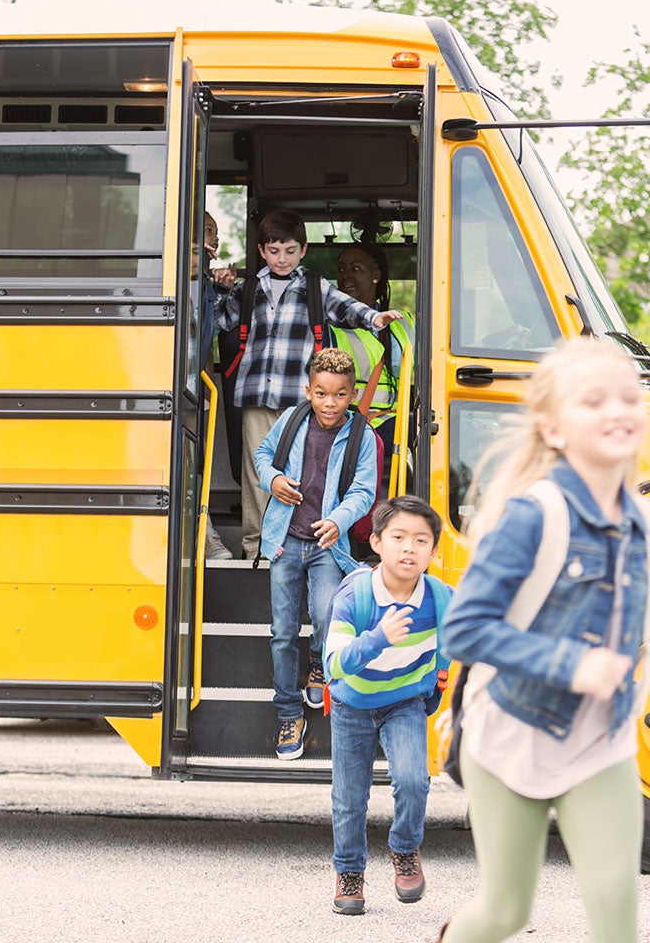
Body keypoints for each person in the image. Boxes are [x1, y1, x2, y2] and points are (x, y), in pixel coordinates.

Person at [435, 337, 649, 943]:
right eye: (594, 401)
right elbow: (464, 629)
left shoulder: (641, 524)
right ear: (554, 430)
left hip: (598, 740)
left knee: (616, 910)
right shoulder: (535, 514)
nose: (618, 410)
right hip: (510, 734)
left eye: (629, 397)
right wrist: (571, 664)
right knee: (507, 913)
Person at [215, 209, 404, 560]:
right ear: (261, 252)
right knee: (258, 472)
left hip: (298, 400)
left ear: (302, 250)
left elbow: (347, 308)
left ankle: (296, 544)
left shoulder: (315, 287)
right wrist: (218, 286)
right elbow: (218, 319)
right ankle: (257, 547)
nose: (281, 258)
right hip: (257, 394)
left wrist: (375, 318)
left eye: (289, 250)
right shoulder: (249, 289)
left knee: (300, 473)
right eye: (274, 251)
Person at [324, 494, 452, 915]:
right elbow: (334, 664)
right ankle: (350, 873)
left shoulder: (441, 597)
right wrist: (378, 638)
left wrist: (439, 679)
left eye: (421, 540)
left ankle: (404, 849)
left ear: (434, 551)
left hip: (404, 701)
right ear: (377, 542)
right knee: (349, 798)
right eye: (398, 537)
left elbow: (462, 640)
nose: (409, 548)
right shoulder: (355, 595)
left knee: (415, 780)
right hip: (351, 704)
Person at [255, 348, 378, 759]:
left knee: (327, 618)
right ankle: (289, 714)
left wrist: (337, 520)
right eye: (321, 393)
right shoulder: (291, 420)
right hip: (284, 540)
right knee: (282, 632)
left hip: (328, 544)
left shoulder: (362, 437)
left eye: (340, 395)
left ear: (353, 394)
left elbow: (363, 492)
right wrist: (272, 480)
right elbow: (262, 457)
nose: (329, 403)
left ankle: (319, 664)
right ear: (308, 390)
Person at [330, 242, 414, 457]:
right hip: (351, 426)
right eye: (341, 269)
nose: (345, 276)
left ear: (376, 274)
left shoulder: (404, 324)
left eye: (355, 268)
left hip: (394, 419)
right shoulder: (330, 328)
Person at [201, 212, 234, 560]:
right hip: (172, 387)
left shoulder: (210, 285)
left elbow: (215, 333)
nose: (216, 239)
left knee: (198, 465)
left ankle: (204, 532)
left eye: (217, 233)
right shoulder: (184, 273)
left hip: (198, 388)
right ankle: (205, 536)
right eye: (208, 230)